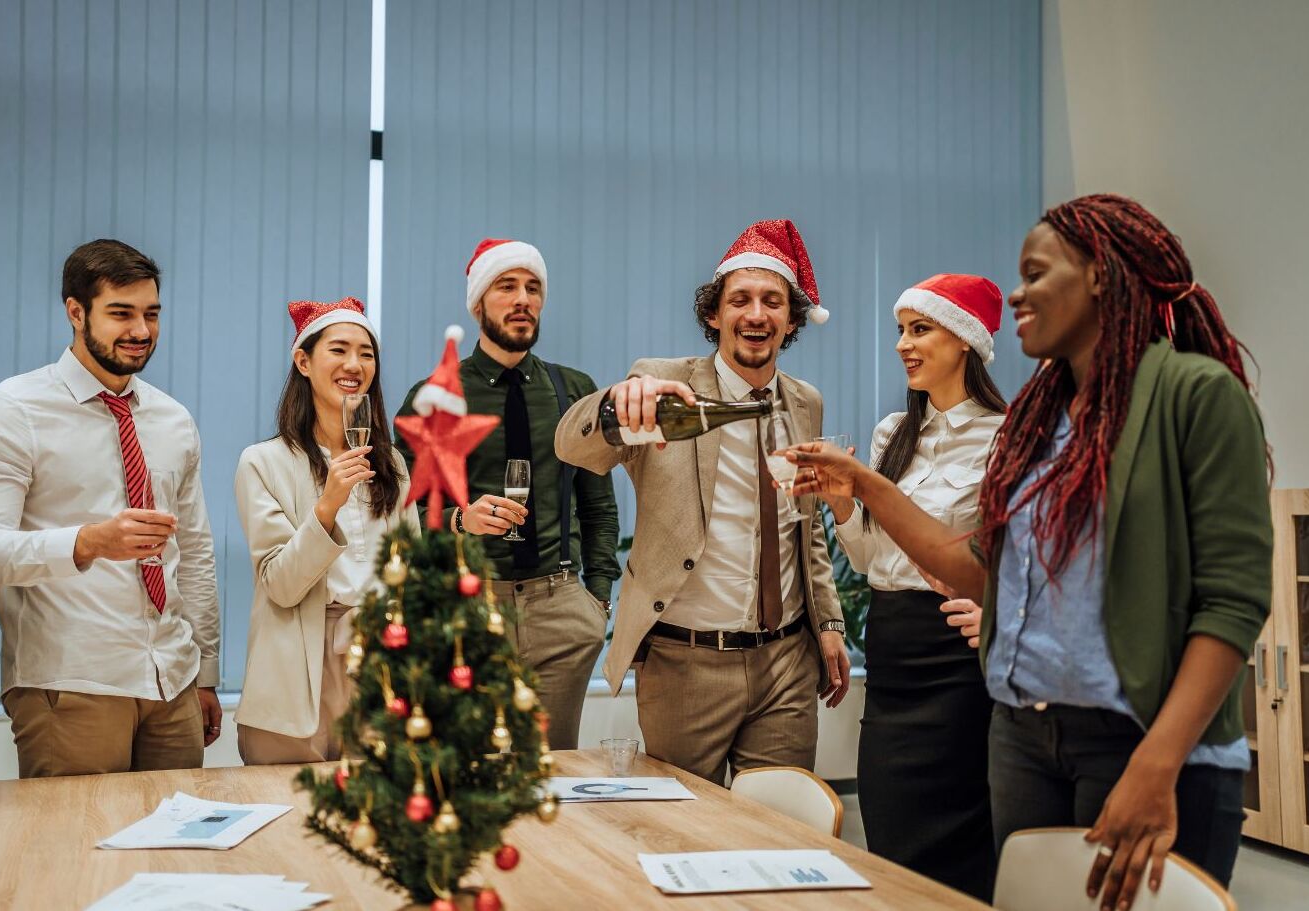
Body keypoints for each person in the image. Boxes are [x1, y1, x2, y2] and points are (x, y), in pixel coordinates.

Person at [787, 194, 1270, 911]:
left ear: (1100, 276)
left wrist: (1157, 762)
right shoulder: (1042, 420)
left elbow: (1231, 601)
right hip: (1023, 737)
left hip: (1138, 740)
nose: (1016, 292)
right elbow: (983, 575)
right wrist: (861, 486)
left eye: (1035, 273)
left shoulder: (1195, 395)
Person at [554, 219, 849, 786]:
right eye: (740, 300)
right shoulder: (662, 387)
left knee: (780, 834)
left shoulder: (806, 403)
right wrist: (616, 406)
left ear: (790, 320)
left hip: (787, 661)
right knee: (684, 832)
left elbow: (805, 526)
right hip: (685, 662)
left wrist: (829, 622)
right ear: (715, 314)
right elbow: (571, 445)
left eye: (772, 301)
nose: (756, 314)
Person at [0, 239, 221, 778]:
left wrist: (207, 671)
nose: (141, 331)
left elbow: (192, 552)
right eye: (120, 313)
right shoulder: (11, 412)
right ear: (75, 312)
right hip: (70, 682)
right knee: (74, 854)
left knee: (180, 854)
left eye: (151, 314)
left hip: (172, 681)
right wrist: (85, 543)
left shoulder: (173, 419)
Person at [393, 239, 619, 750]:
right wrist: (459, 519)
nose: (523, 299)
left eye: (533, 288)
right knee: (473, 780)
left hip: (561, 608)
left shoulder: (575, 389)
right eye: (507, 286)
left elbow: (599, 505)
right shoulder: (436, 396)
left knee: (551, 776)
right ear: (478, 303)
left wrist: (597, 600)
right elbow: (400, 513)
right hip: (471, 609)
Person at [826, 274, 1006, 899]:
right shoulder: (889, 435)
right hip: (893, 649)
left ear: (964, 341)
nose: (903, 343)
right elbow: (874, 554)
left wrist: (997, 611)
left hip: (958, 654)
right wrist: (844, 506)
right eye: (901, 331)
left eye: (919, 329)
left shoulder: (1006, 438)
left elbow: (1011, 560)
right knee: (890, 831)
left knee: (964, 837)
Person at [234, 297, 416, 764]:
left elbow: (411, 575)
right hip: (295, 666)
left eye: (366, 352)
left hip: (380, 662)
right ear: (303, 361)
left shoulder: (392, 464)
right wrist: (328, 504)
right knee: (287, 818)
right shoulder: (262, 462)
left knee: (379, 817)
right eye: (338, 350)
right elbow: (280, 584)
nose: (354, 364)